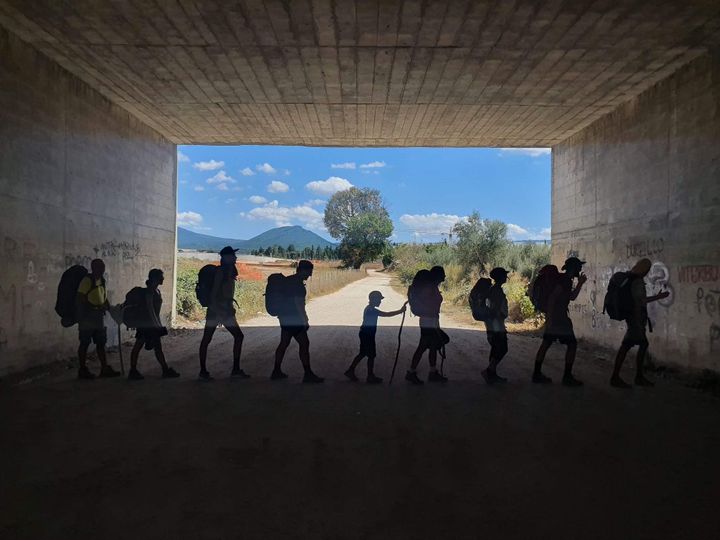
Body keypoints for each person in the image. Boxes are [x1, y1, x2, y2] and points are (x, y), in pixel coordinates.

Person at [610, 258, 669, 388]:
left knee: (631, 346)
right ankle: (631, 377)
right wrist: (658, 297)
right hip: (635, 319)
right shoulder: (637, 282)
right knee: (633, 345)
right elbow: (640, 302)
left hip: (633, 319)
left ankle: (627, 376)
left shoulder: (631, 278)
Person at [533, 256, 587, 386]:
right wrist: (550, 319)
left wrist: (580, 283)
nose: (580, 269)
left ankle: (536, 374)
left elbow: (572, 297)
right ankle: (567, 377)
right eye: (579, 267)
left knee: (546, 344)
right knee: (572, 345)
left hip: (556, 319)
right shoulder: (565, 281)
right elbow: (552, 298)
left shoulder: (565, 280)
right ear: (573, 268)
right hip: (559, 320)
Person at [198, 246, 248, 380]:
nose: (235, 257)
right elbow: (214, 294)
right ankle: (235, 370)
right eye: (233, 255)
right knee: (238, 336)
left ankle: (203, 372)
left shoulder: (228, 271)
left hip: (218, 310)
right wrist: (219, 311)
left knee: (207, 339)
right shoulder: (221, 272)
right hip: (220, 310)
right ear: (226, 257)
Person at [271, 260, 323, 383]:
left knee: (284, 343)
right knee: (304, 344)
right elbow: (299, 304)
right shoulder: (298, 285)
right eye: (309, 272)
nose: (310, 275)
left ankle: (276, 371)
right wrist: (305, 320)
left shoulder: (288, 280)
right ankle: (308, 374)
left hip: (284, 317)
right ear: (303, 270)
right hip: (294, 319)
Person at [344, 291, 407, 384]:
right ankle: (370, 376)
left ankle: (351, 371)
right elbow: (387, 314)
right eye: (379, 300)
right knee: (371, 355)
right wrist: (400, 311)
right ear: (373, 300)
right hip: (367, 335)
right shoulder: (371, 310)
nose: (380, 302)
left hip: (365, 334)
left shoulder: (369, 308)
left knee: (363, 353)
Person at [127, 269, 179, 380]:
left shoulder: (156, 291)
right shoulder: (150, 292)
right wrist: (157, 326)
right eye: (161, 276)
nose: (163, 278)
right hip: (148, 325)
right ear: (155, 278)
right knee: (145, 346)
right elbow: (151, 311)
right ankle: (134, 370)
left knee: (149, 347)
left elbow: (154, 311)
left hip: (148, 324)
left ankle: (134, 370)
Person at [76, 258, 120, 379]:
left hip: (98, 317)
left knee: (101, 342)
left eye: (103, 267)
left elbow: (103, 296)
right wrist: (95, 306)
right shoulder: (87, 280)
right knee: (84, 343)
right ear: (93, 267)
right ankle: (82, 370)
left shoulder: (102, 280)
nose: (102, 269)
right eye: (99, 267)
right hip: (87, 317)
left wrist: (108, 307)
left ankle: (104, 368)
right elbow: (80, 297)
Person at [406, 266, 449, 385]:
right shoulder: (430, 288)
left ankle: (432, 372)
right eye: (443, 274)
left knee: (433, 345)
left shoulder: (431, 287)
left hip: (430, 320)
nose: (444, 277)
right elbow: (427, 302)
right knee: (423, 346)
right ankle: (411, 372)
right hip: (428, 321)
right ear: (437, 276)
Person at [482, 267, 510, 384]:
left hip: (492, 323)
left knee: (496, 348)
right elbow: (496, 309)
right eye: (504, 275)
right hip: (496, 324)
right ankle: (489, 371)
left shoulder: (493, 289)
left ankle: (492, 373)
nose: (506, 277)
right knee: (502, 348)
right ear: (500, 277)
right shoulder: (497, 290)